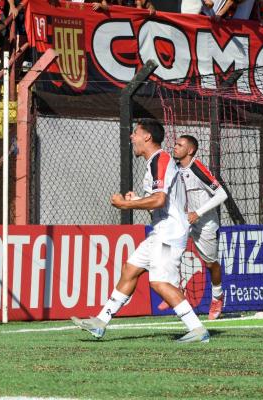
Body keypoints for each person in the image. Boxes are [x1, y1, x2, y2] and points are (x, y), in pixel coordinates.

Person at [71, 119, 210, 343]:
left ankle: (197, 329)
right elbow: (160, 202)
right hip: (160, 230)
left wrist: (126, 204)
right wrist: (137, 200)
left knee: (159, 282)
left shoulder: (160, 159)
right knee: (130, 269)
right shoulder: (155, 162)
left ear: (147, 137)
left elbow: (159, 199)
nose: (131, 137)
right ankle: (100, 322)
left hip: (169, 232)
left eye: (135, 132)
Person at [157, 135, 228, 320]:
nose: (175, 147)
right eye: (175, 144)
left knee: (211, 264)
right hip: (183, 221)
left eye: (180, 145)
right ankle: (175, 288)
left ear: (190, 150)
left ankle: (217, 297)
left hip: (205, 223)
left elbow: (222, 195)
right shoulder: (173, 168)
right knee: (166, 250)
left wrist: (198, 213)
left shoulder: (197, 168)